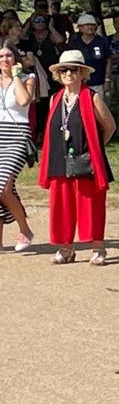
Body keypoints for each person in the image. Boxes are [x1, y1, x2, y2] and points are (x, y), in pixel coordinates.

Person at [38, 50, 117, 265]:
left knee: (90, 203)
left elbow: (109, 126)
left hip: (85, 160)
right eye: (64, 69)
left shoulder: (92, 96)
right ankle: (66, 249)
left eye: (74, 69)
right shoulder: (55, 98)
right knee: (61, 206)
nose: (68, 73)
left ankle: (98, 248)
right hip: (59, 161)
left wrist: (95, 148)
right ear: (58, 74)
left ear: (82, 73)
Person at [0, 44, 36, 251]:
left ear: (15, 58)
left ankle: (25, 230)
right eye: (1, 56)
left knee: (3, 186)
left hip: (17, 136)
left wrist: (16, 76)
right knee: (4, 190)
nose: (5, 59)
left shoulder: (27, 78)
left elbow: (24, 101)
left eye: (8, 55)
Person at [18, 13, 62, 135]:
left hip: (51, 73)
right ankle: (39, 131)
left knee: (51, 101)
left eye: (42, 20)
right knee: (38, 104)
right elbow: (20, 38)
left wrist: (51, 27)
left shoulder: (50, 35)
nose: (40, 22)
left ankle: (50, 129)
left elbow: (60, 40)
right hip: (35, 73)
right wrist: (27, 25)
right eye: (36, 20)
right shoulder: (29, 37)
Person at [65, 13, 111, 95]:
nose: (90, 27)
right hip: (79, 83)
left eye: (92, 25)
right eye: (86, 25)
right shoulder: (75, 43)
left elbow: (108, 60)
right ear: (80, 27)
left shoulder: (102, 41)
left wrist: (107, 79)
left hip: (98, 83)